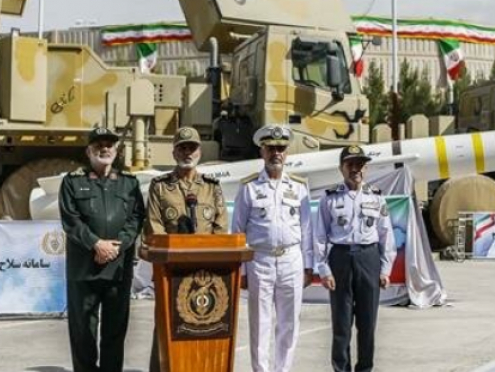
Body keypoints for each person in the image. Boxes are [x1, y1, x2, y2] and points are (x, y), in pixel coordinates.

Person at [59, 126, 146, 372]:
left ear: (116, 150)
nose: (104, 148)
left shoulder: (129, 184)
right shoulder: (72, 183)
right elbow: (71, 221)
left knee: (114, 332)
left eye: (109, 144)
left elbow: (137, 217)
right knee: (83, 333)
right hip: (84, 271)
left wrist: (119, 245)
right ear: (88, 151)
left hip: (117, 270)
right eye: (98, 145)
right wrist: (97, 244)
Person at [144, 126, 228, 372]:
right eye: (182, 148)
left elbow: (220, 229)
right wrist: (171, 259)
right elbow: (154, 227)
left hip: (206, 273)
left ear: (199, 152)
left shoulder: (212, 187)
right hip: (172, 272)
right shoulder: (160, 186)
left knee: (203, 324)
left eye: (191, 148)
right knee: (167, 323)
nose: (187, 152)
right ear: (174, 153)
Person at [232, 124, 313, 372]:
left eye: (280, 148)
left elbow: (307, 229)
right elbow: (238, 231)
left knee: (289, 323)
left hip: (291, 259)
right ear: (262, 152)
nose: (276, 153)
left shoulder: (299, 186)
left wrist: (308, 266)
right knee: (260, 323)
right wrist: (243, 270)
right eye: (271, 148)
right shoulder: (249, 187)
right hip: (260, 261)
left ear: (286, 153)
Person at [314, 145, 396, 372]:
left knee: (368, 323)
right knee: (341, 324)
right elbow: (319, 236)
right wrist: (324, 270)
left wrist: (385, 269)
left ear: (366, 168)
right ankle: (341, 369)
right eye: (350, 164)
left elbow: (385, 234)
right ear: (341, 168)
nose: (356, 169)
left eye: (360, 164)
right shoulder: (329, 199)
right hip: (340, 258)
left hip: (368, 258)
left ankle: (365, 368)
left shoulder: (376, 198)